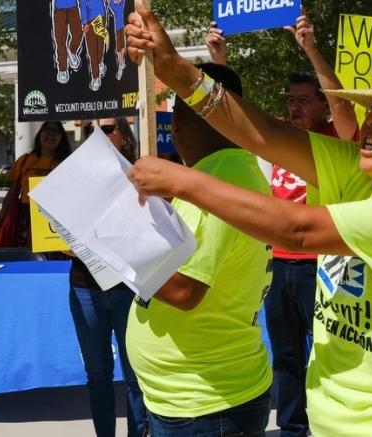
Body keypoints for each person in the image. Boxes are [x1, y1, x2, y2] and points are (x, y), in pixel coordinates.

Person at [125, 6, 372, 434]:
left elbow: (298, 229)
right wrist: (173, 67)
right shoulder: (365, 173)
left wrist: (182, 182)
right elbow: (264, 134)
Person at [208, 13, 359, 436]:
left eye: (305, 99)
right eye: (291, 99)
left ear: (322, 105)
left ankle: (333, 424)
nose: (295, 106)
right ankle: (294, 428)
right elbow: (233, 122)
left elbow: (344, 105)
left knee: (329, 352)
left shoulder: (336, 139)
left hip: (324, 268)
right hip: (279, 268)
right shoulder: (278, 144)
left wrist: (309, 47)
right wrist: (218, 61)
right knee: (287, 356)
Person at [124, 63, 274, 436]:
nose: (172, 127)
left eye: (178, 112)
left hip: (207, 404)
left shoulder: (222, 182)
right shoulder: (223, 175)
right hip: (196, 398)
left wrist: (110, 238)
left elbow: (183, 289)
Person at [69, 117, 147, 437]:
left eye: (108, 128)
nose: (98, 134)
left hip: (125, 286)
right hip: (85, 286)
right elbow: (55, 229)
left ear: (125, 136)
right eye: (90, 130)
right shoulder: (72, 178)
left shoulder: (140, 174)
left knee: (133, 374)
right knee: (98, 374)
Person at [0, 121, 72, 247]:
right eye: (47, 130)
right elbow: (12, 194)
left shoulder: (68, 164)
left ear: (62, 138)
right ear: (39, 134)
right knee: (27, 262)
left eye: (56, 131)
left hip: (56, 223)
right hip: (25, 222)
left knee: (52, 264)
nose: (51, 134)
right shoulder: (24, 160)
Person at [52, 0, 82, 84]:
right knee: (60, 41)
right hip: (59, 9)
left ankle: (72, 52)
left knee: (78, 33)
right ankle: (62, 69)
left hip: (73, 7)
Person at [81, 0, 108, 91]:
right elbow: (82, 4)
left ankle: (100, 62)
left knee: (100, 45)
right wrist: (85, 22)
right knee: (92, 52)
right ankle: (95, 77)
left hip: (101, 17)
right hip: (90, 21)